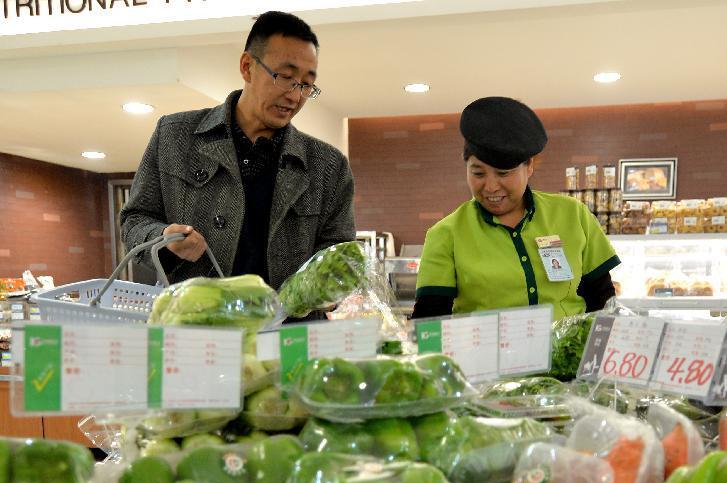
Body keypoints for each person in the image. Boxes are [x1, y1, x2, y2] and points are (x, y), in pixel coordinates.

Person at [120, 11, 355, 292]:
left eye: (306, 84)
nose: (294, 96)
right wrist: (163, 236)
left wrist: (328, 287)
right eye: (285, 77)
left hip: (290, 331)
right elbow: (134, 221)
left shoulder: (328, 166)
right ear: (247, 66)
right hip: (196, 323)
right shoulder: (175, 135)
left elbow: (339, 253)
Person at [413, 96, 620, 320]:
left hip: (570, 354)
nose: (491, 186)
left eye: (503, 173)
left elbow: (602, 300)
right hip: (483, 354)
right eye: (478, 173)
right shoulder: (446, 234)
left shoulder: (572, 214)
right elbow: (429, 321)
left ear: (529, 166)